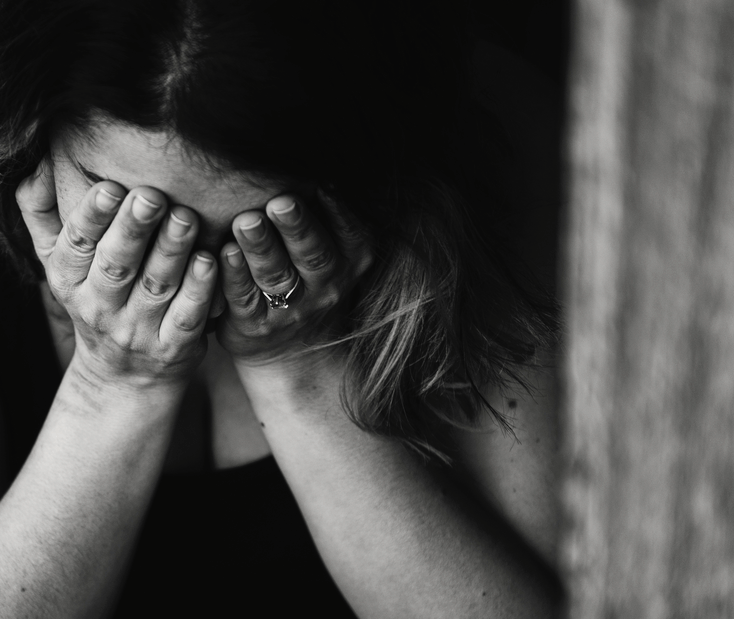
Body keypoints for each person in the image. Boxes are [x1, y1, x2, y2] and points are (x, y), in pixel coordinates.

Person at [0, 0, 565, 616]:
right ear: (33, 125)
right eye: (126, 210)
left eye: (252, 230)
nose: (186, 274)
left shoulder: (499, 154)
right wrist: (110, 385)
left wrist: (298, 368)